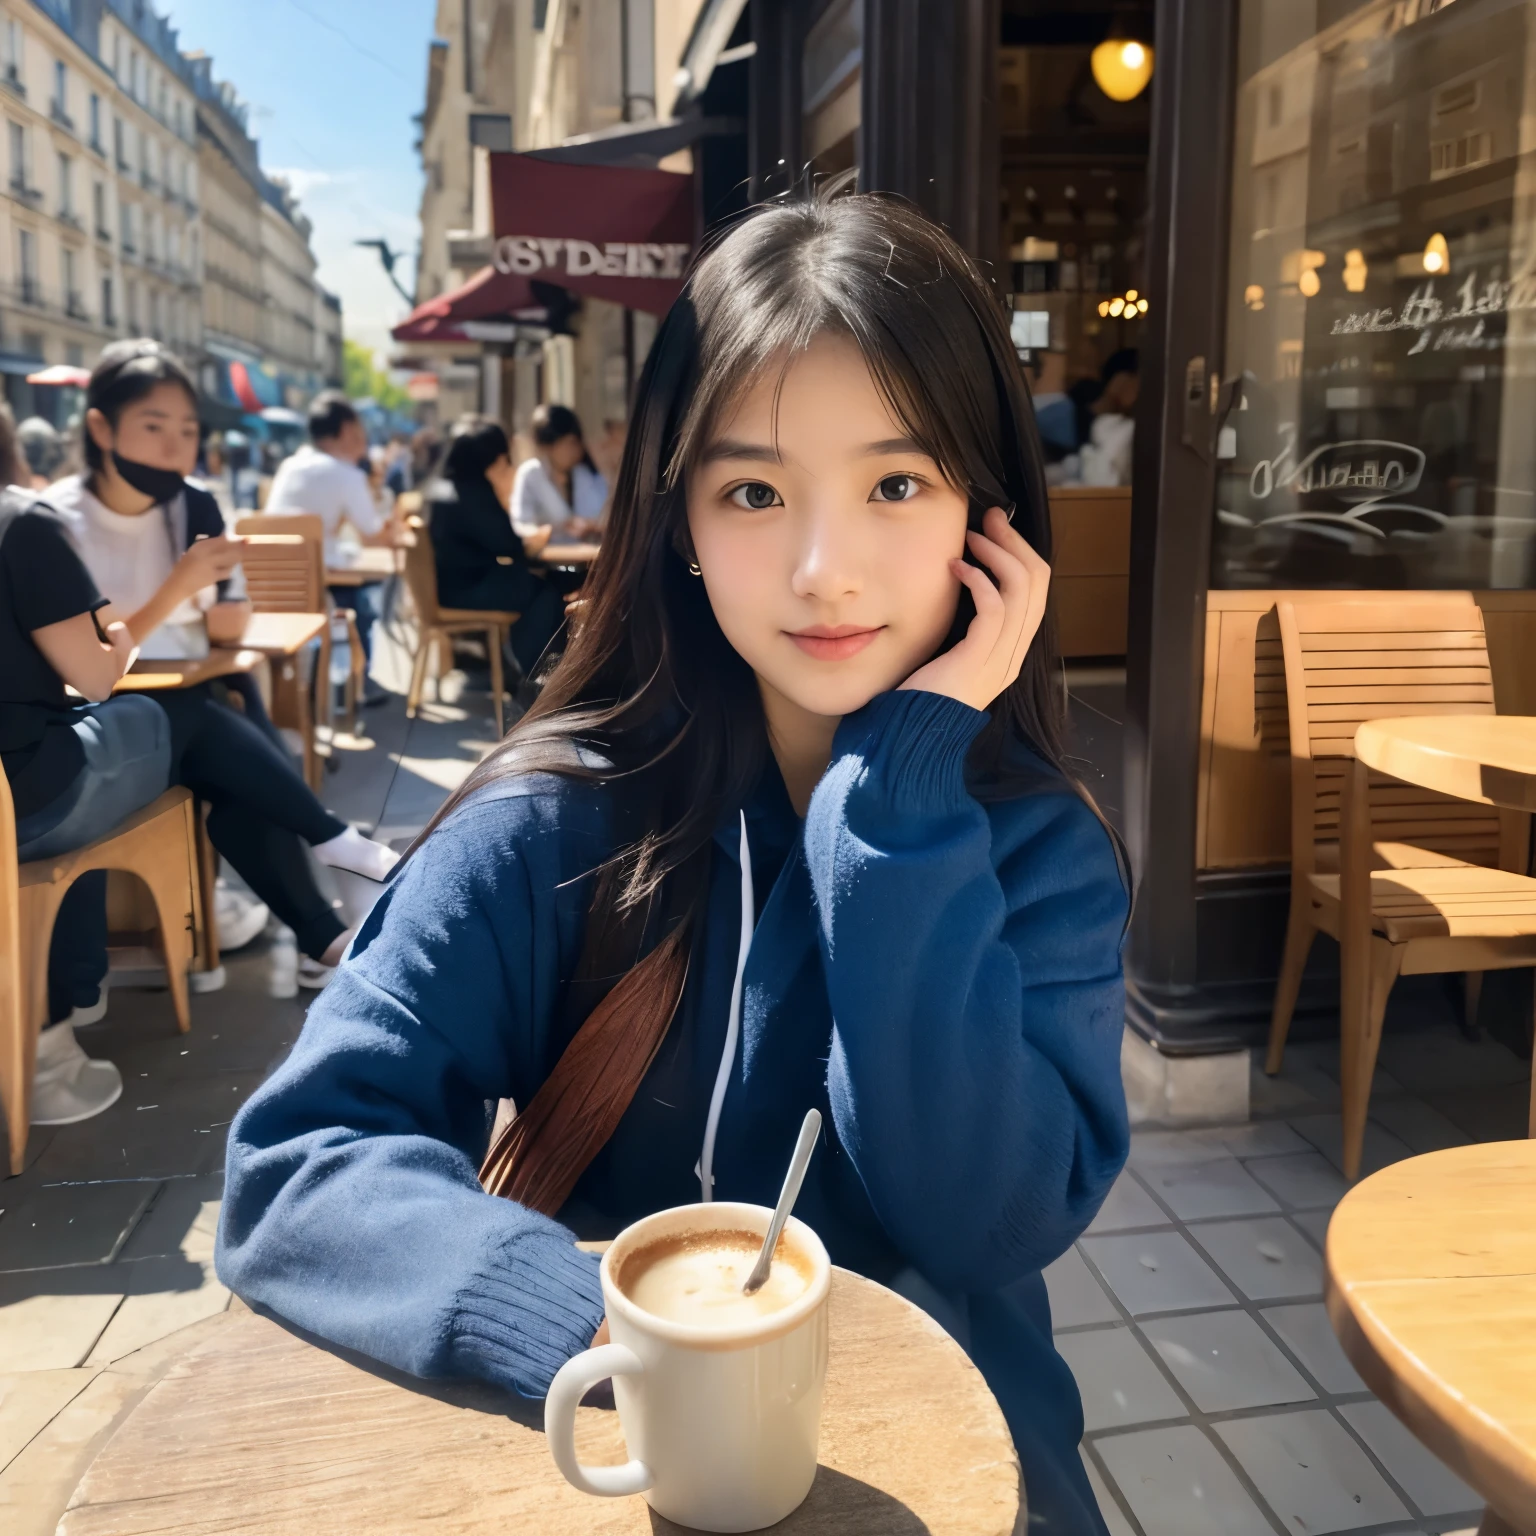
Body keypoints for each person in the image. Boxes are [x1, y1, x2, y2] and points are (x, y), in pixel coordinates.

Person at [217, 192, 1130, 1536]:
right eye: (755, 489)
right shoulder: (558, 826)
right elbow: (300, 1162)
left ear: (988, 520)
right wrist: (600, 1333)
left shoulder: (1038, 849)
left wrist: (898, 805)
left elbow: (987, 1228)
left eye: (897, 483)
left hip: (962, 1477)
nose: (826, 570)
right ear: (682, 523)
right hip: (622, 1472)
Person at [48, 340, 401, 989]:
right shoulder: (55, 523)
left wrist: (222, 612)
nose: (175, 447)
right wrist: (177, 592)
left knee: (229, 733)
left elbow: (225, 617)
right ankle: (331, 889)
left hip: (203, 693)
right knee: (216, 736)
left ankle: (325, 929)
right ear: (100, 428)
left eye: (187, 430)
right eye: (153, 427)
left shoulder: (196, 505)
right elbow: (81, 664)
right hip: (102, 715)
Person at [0, 402, 170, 1123]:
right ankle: (57, 1029)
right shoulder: (23, 523)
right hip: (24, 801)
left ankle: (75, 994)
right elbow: (97, 676)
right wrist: (127, 631)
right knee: (165, 722)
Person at [426, 415, 580, 680]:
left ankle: (532, 673)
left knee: (551, 581)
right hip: (467, 589)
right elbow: (509, 545)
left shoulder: (442, 486)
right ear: (493, 457)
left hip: (450, 585)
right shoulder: (472, 492)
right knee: (543, 592)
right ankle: (540, 677)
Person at [264, 391, 398, 696]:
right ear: (349, 430)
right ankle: (356, 682)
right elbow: (372, 535)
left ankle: (335, 681)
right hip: (319, 580)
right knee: (362, 601)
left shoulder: (290, 465)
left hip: (270, 580)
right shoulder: (346, 475)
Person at [509, 404, 608, 540]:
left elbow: (605, 515)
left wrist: (591, 525)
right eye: (566, 444)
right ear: (547, 447)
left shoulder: (586, 473)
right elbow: (520, 524)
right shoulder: (531, 474)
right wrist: (552, 529)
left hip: (587, 557)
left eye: (575, 443)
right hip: (546, 558)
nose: (573, 450)